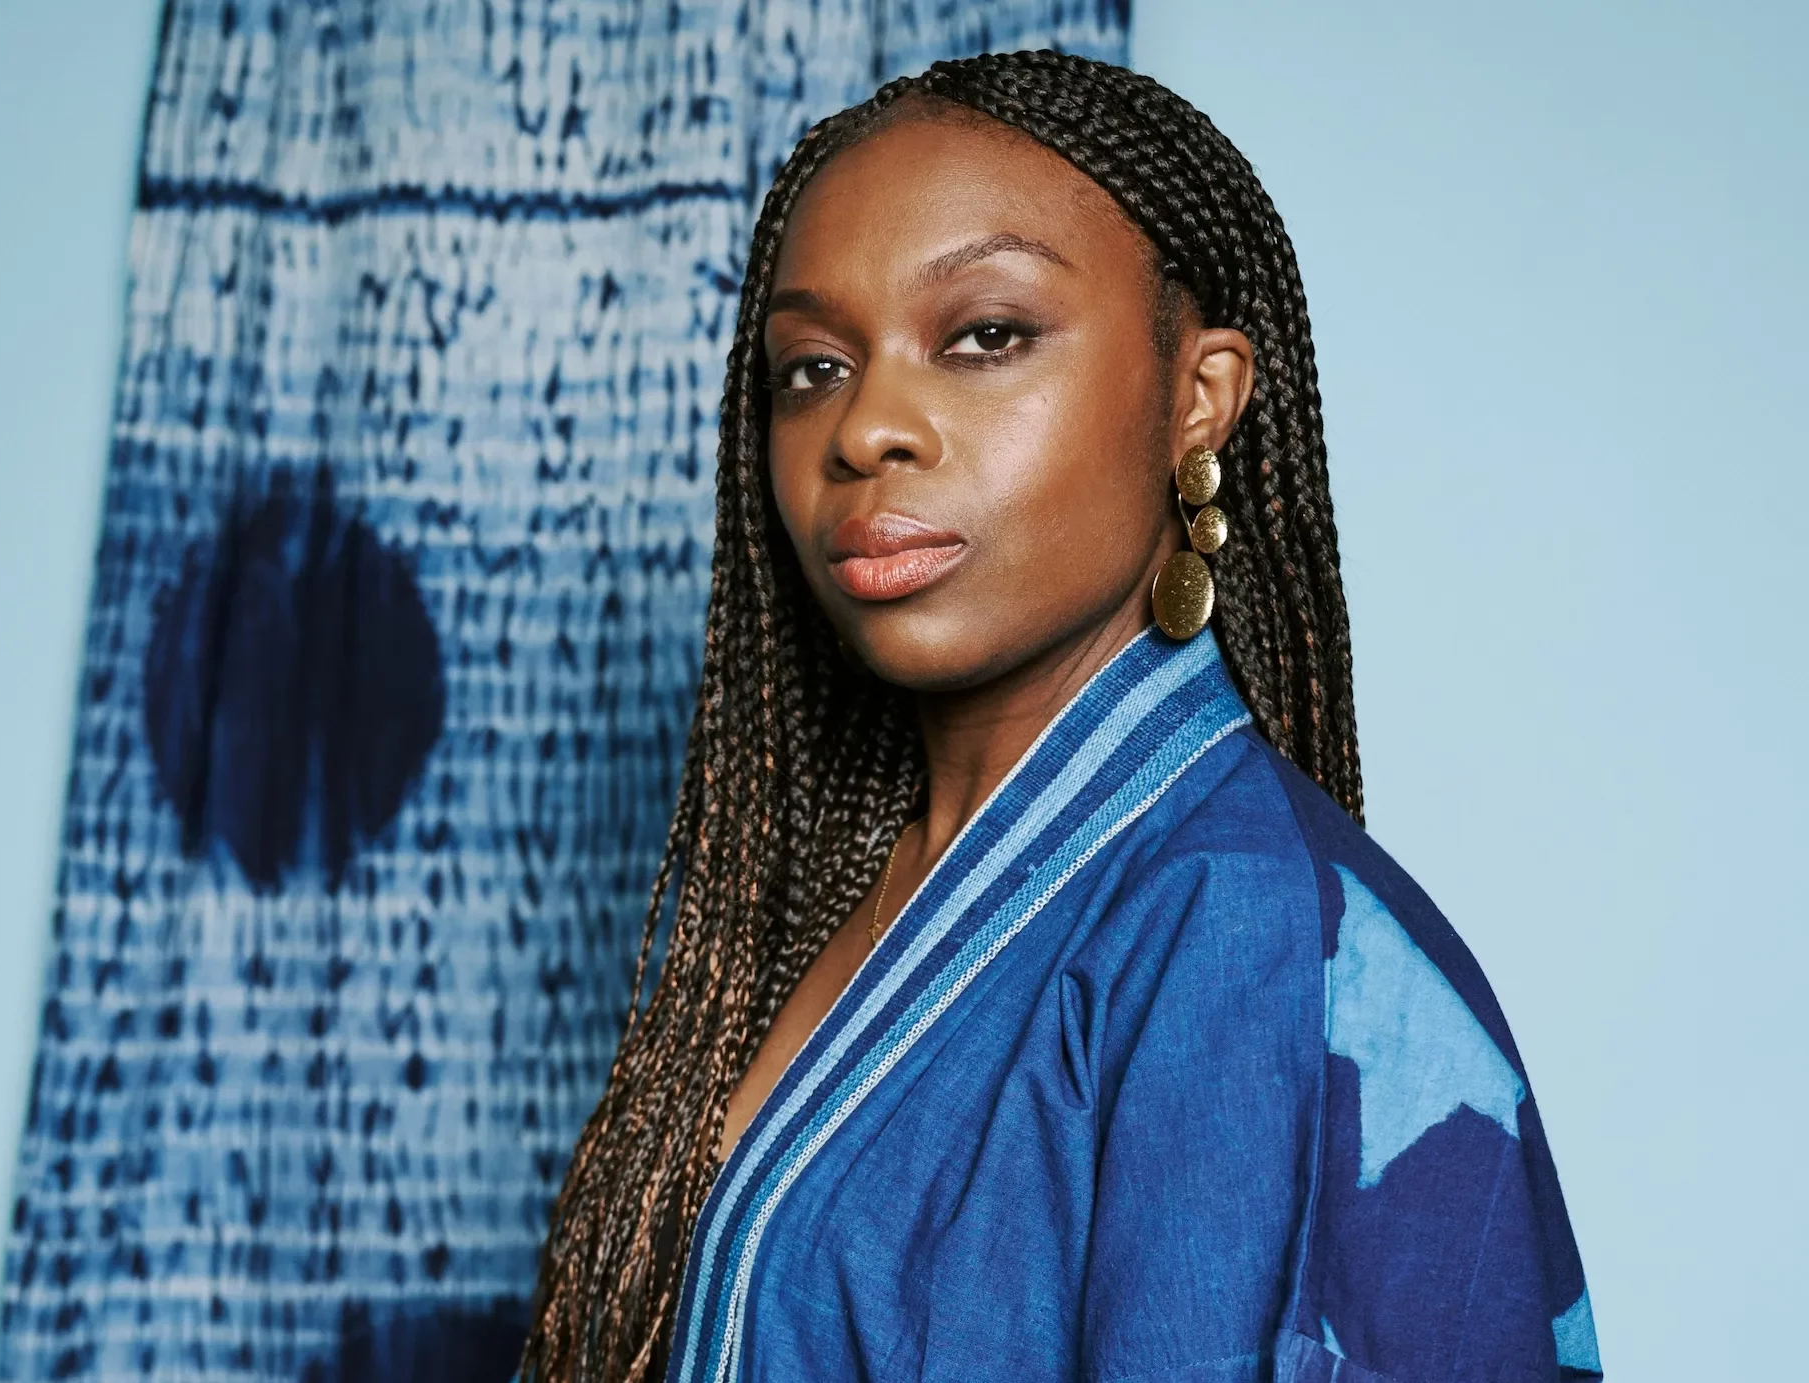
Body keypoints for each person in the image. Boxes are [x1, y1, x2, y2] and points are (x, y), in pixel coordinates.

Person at [522, 51, 1600, 1383]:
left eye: (985, 335)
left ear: (1197, 395)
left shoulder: (1233, 922)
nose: (866, 428)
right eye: (813, 367)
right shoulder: (824, 890)